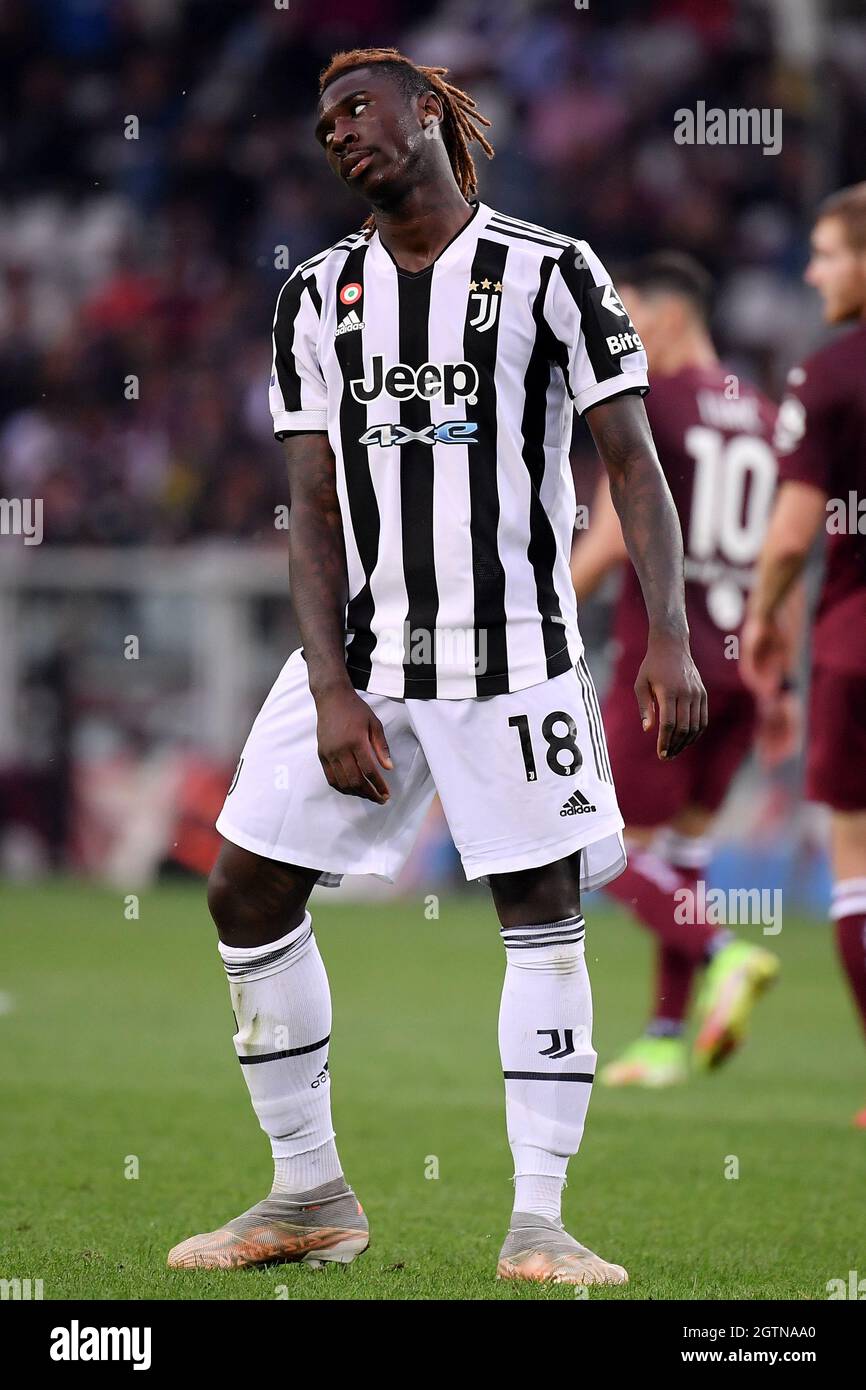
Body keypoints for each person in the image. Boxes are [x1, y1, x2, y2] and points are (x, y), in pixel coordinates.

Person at [167, 47, 705, 1285]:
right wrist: (332, 684)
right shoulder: (314, 294)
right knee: (242, 891)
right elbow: (307, 502)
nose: (337, 133)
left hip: (514, 653)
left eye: (357, 108)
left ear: (430, 111)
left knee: (540, 913)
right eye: (320, 122)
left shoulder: (551, 271)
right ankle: (307, 1194)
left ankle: (539, 1222)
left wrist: (667, 635)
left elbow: (631, 463)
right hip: (358, 654)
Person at [571, 254, 786, 1088]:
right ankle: (665, 1036)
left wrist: (540, 614)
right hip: (740, 664)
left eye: (625, 316)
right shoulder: (763, 414)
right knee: (683, 851)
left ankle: (725, 951)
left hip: (669, 661)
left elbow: (614, 532)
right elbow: (789, 549)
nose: (618, 333)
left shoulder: (653, 401)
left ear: (661, 317)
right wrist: (782, 679)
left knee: (603, 848)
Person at [742, 184, 866, 1128]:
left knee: (856, 866)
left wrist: (764, 619)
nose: (814, 270)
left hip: (853, 646)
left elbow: (788, 538)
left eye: (827, 253)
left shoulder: (829, 376)